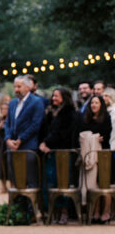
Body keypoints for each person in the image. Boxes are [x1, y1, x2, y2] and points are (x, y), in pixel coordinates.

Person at [38, 87, 81, 224]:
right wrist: (43, 143)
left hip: (64, 152)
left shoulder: (70, 114)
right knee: (52, 182)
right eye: (53, 96)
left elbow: (63, 134)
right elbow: (45, 130)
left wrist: (47, 143)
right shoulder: (51, 112)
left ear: (64, 97)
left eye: (56, 96)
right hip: (51, 153)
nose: (53, 98)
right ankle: (54, 212)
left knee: (64, 182)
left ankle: (65, 212)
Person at [5, 76, 45, 188]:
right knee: (16, 180)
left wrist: (20, 139)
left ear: (28, 87)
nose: (16, 89)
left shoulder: (36, 102)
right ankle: (18, 205)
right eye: (15, 87)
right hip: (12, 147)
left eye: (19, 86)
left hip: (28, 146)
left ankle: (32, 205)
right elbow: (7, 123)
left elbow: (35, 125)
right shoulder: (12, 103)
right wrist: (8, 139)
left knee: (30, 180)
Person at [81, 94, 112, 222]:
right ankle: (96, 212)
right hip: (89, 153)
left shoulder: (106, 118)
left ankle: (106, 212)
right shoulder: (86, 118)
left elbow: (105, 135)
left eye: (96, 103)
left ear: (101, 105)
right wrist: (93, 138)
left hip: (103, 154)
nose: (93, 105)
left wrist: (92, 137)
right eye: (92, 103)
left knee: (104, 183)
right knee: (93, 183)